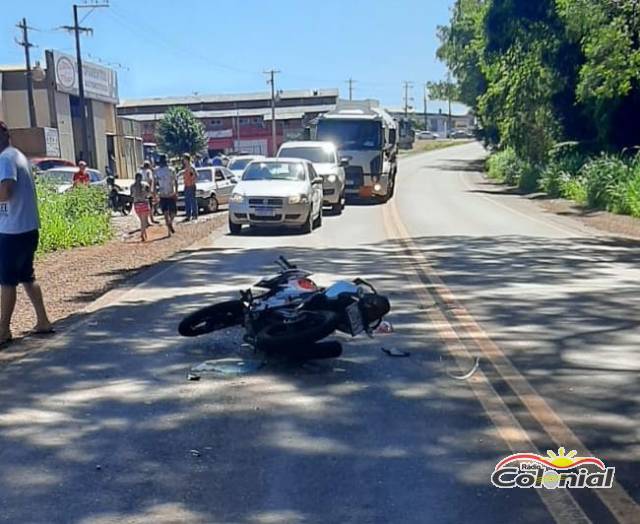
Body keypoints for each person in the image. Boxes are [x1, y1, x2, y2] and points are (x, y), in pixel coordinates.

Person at [0, 121, 53, 348]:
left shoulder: (6, 159)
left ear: (5, 135)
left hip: (13, 230)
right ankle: (43, 320)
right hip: (26, 228)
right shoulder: (17, 155)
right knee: (27, 277)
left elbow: (5, 192)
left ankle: (3, 330)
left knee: (7, 280)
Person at [154, 154, 178, 236]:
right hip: (165, 193)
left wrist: (176, 191)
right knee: (168, 212)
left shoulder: (171, 170)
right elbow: (155, 183)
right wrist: (155, 193)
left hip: (168, 193)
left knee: (170, 212)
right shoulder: (158, 171)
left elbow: (175, 181)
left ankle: (169, 223)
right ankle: (169, 228)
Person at [130, 172, 152, 242]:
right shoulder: (145, 185)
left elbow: (131, 195)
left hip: (136, 204)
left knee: (142, 221)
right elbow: (149, 194)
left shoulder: (132, 186)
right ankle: (142, 234)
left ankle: (144, 233)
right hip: (144, 203)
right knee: (144, 221)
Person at [141, 160, 159, 224]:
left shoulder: (141, 172)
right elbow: (151, 180)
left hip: (142, 191)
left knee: (144, 206)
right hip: (147, 190)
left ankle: (146, 221)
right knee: (150, 205)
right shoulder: (149, 171)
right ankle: (151, 219)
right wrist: (151, 189)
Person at [182, 153, 198, 222]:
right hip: (186, 185)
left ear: (186, 159)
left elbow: (195, 175)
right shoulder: (186, 167)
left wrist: (192, 182)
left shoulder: (191, 167)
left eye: (184, 159)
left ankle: (194, 215)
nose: (183, 160)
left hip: (191, 186)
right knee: (187, 201)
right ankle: (188, 215)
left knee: (192, 201)